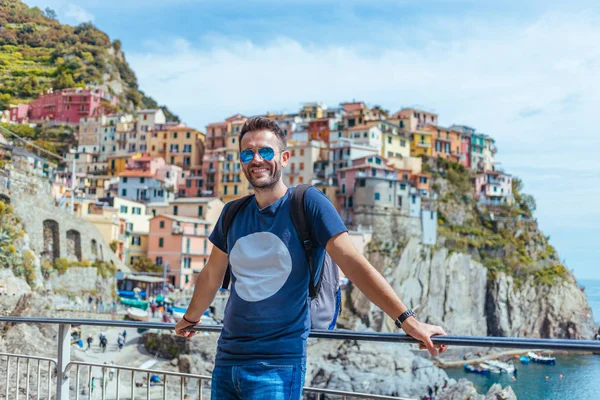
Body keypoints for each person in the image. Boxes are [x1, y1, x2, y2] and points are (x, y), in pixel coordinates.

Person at [175, 117, 448, 400]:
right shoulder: (232, 214)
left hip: (278, 366)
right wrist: (189, 318)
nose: (257, 159)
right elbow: (210, 275)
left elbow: (354, 265)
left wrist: (408, 321)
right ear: (241, 162)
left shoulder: (308, 203)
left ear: (284, 158)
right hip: (226, 360)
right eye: (248, 153)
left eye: (266, 152)